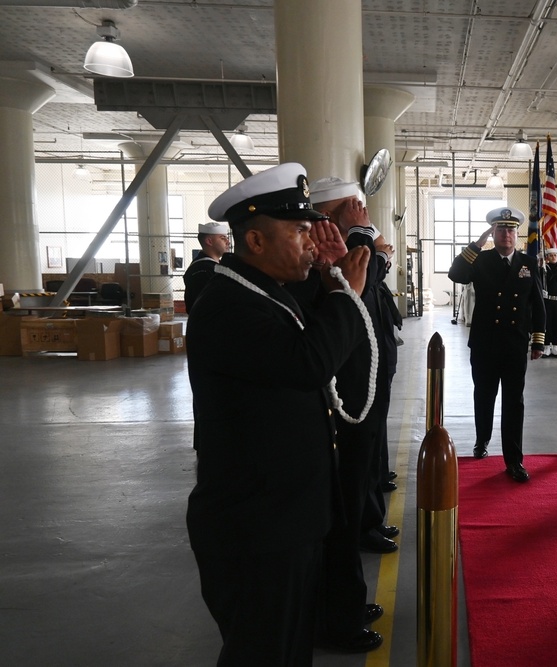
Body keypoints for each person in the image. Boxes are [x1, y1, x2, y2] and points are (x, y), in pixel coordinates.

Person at [185, 162, 370, 666]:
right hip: (256, 527)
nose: (312, 243)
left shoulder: (263, 290)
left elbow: (311, 313)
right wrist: (346, 293)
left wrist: (334, 275)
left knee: (287, 649)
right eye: (299, 231)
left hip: (283, 518)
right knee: (263, 651)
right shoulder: (227, 304)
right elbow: (309, 360)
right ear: (257, 242)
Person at [297, 176, 394, 653]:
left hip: (359, 395)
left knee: (348, 503)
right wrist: (361, 234)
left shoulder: (335, 259)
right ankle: (340, 612)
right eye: (348, 206)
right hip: (344, 400)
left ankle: (347, 601)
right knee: (340, 511)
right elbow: (362, 282)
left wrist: (358, 237)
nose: (359, 209)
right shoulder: (320, 266)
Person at [448, 207, 545, 483]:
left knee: (514, 402)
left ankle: (514, 460)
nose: (506, 235)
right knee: (484, 395)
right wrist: (477, 244)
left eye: (511, 230)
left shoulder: (528, 262)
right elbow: (456, 274)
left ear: (517, 235)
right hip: (485, 343)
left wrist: (538, 339)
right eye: (501, 230)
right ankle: (482, 441)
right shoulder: (481, 259)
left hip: (515, 344)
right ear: (494, 233)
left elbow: (536, 303)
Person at [183, 221, 230, 313]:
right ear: (209, 241)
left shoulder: (214, 266)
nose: (228, 242)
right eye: (223, 238)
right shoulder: (201, 270)